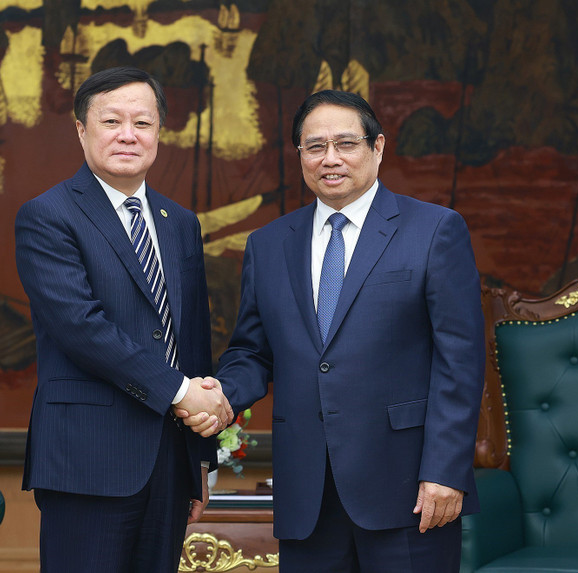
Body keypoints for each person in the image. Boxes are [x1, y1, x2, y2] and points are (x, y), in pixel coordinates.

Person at [179, 90, 485, 572]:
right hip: (307, 495)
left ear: (377, 147)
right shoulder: (269, 244)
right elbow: (253, 352)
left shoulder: (434, 230)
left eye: (346, 144)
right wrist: (219, 396)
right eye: (315, 146)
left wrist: (445, 471)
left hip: (409, 491)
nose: (330, 158)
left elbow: (460, 361)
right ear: (299, 154)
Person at [15, 66, 232, 573]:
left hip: (168, 461)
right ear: (81, 130)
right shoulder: (48, 215)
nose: (128, 135)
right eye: (111, 121)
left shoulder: (179, 222)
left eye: (143, 123)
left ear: (159, 133)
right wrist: (182, 392)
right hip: (87, 458)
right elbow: (81, 327)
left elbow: (190, 339)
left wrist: (199, 457)